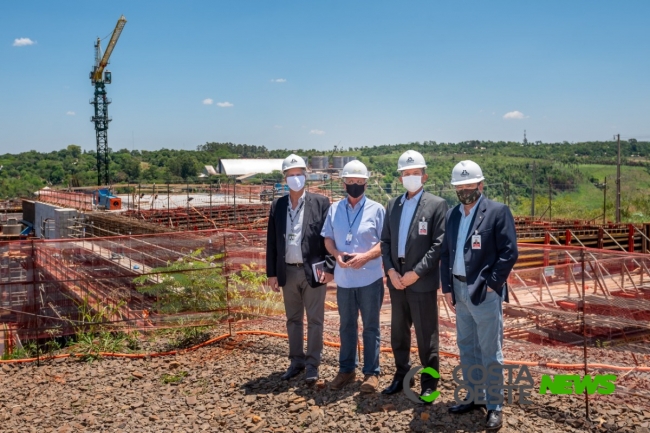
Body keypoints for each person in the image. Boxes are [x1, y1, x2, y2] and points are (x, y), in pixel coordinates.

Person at [440, 160, 518, 430]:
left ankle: (495, 406)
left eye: (469, 185)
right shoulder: (452, 215)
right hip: (459, 290)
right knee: (467, 346)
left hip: (484, 291)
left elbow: (509, 253)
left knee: (490, 350)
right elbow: (446, 253)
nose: (464, 191)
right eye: (460, 187)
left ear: (481, 185)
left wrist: (493, 284)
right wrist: (447, 287)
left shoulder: (497, 212)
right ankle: (475, 396)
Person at [379, 150, 447, 403]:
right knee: (398, 333)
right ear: (400, 179)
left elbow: (438, 245)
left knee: (426, 335)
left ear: (424, 176)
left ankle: (429, 383)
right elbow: (385, 242)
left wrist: (415, 274)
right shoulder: (393, 205)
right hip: (397, 280)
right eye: (406, 174)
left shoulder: (437, 205)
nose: (410, 177)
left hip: (421, 281)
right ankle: (401, 376)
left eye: (415, 173)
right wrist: (391, 271)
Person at [266, 154, 335, 384]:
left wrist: (329, 267)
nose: (296, 178)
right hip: (288, 270)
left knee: (315, 320)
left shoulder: (320, 203)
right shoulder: (278, 205)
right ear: (284, 178)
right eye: (291, 175)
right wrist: (271, 273)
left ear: (305, 175)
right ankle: (296, 362)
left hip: (313, 271)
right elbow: (272, 242)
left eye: (299, 174)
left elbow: (329, 238)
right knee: (293, 319)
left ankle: (312, 365)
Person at [321, 160, 386, 393]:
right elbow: (327, 238)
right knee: (346, 326)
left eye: (359, 182)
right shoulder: (334, 209)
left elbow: (384, 242)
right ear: (344, 183)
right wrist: (337, 254)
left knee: (371, 327)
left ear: (366, 183)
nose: (355, 185)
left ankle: (371, 373)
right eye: (351, 181)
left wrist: (367, 256)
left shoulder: (377, 209)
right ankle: (346, 369)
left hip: (370, 279)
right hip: (345, 280)